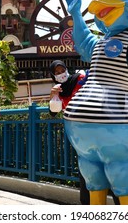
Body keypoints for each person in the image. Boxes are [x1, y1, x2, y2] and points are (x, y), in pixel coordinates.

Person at [48, 60, 119, 205]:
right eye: (56, 72)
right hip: (82, 136)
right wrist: (53, 97)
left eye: (62, 70)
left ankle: (121, 202)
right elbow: (53, 113)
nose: (60, 74)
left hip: (101, 128)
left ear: (67, 69)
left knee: (111, 164)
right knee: (88, 170)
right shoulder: (59, 90)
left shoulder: (80, 78)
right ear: (52, 76)